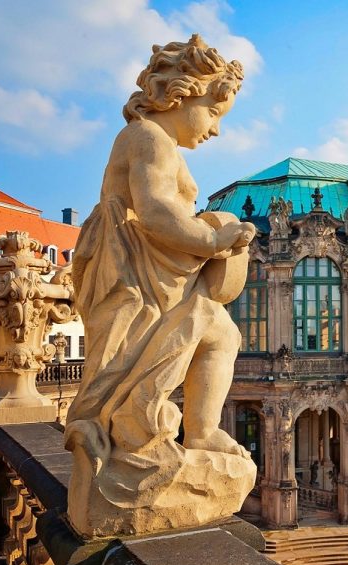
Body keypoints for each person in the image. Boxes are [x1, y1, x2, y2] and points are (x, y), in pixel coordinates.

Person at [66, 35, 255, 525]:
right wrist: (215, 240)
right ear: (181, 95)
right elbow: (154, 212)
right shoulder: (148, 137)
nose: (215, 129)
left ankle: (198, 431)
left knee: (218, 331)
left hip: (152, 272)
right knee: (127, 363)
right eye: (214, 113)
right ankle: (133, 434)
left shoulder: (156, 142)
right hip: (132, 276)